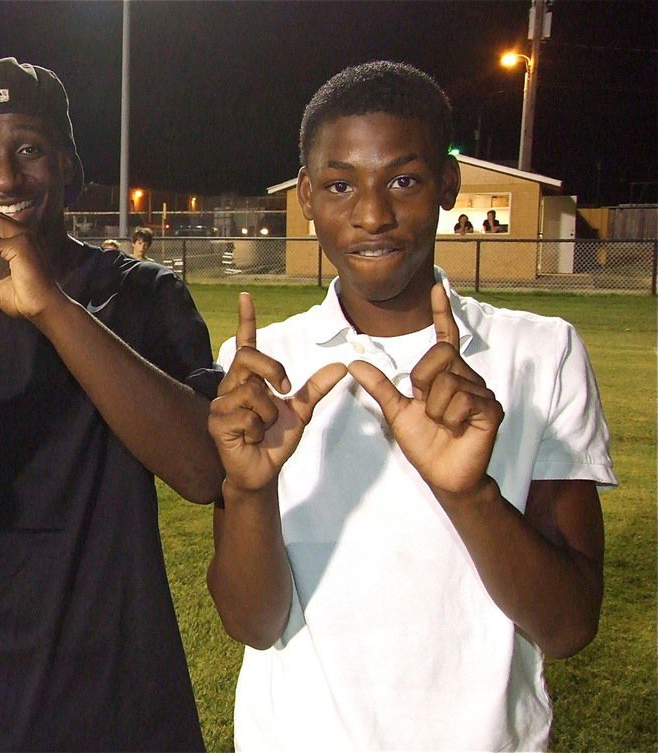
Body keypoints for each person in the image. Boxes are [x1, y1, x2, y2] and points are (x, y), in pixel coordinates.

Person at [208, 62, 614, 751]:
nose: (372, 213)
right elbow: (253, 622)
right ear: (305, 196)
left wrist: (471, 496)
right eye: (340, 185)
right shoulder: (261, 368)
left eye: (403, 179)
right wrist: (250, 491)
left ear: (448, 185)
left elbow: (569, 625)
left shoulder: (540, 352)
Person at [0, 57, 223, 751]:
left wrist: (52, 308)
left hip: (123, 703)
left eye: (28, 148)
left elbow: (205, 471)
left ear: (68, 164)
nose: (4, 176)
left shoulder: (142, 294)